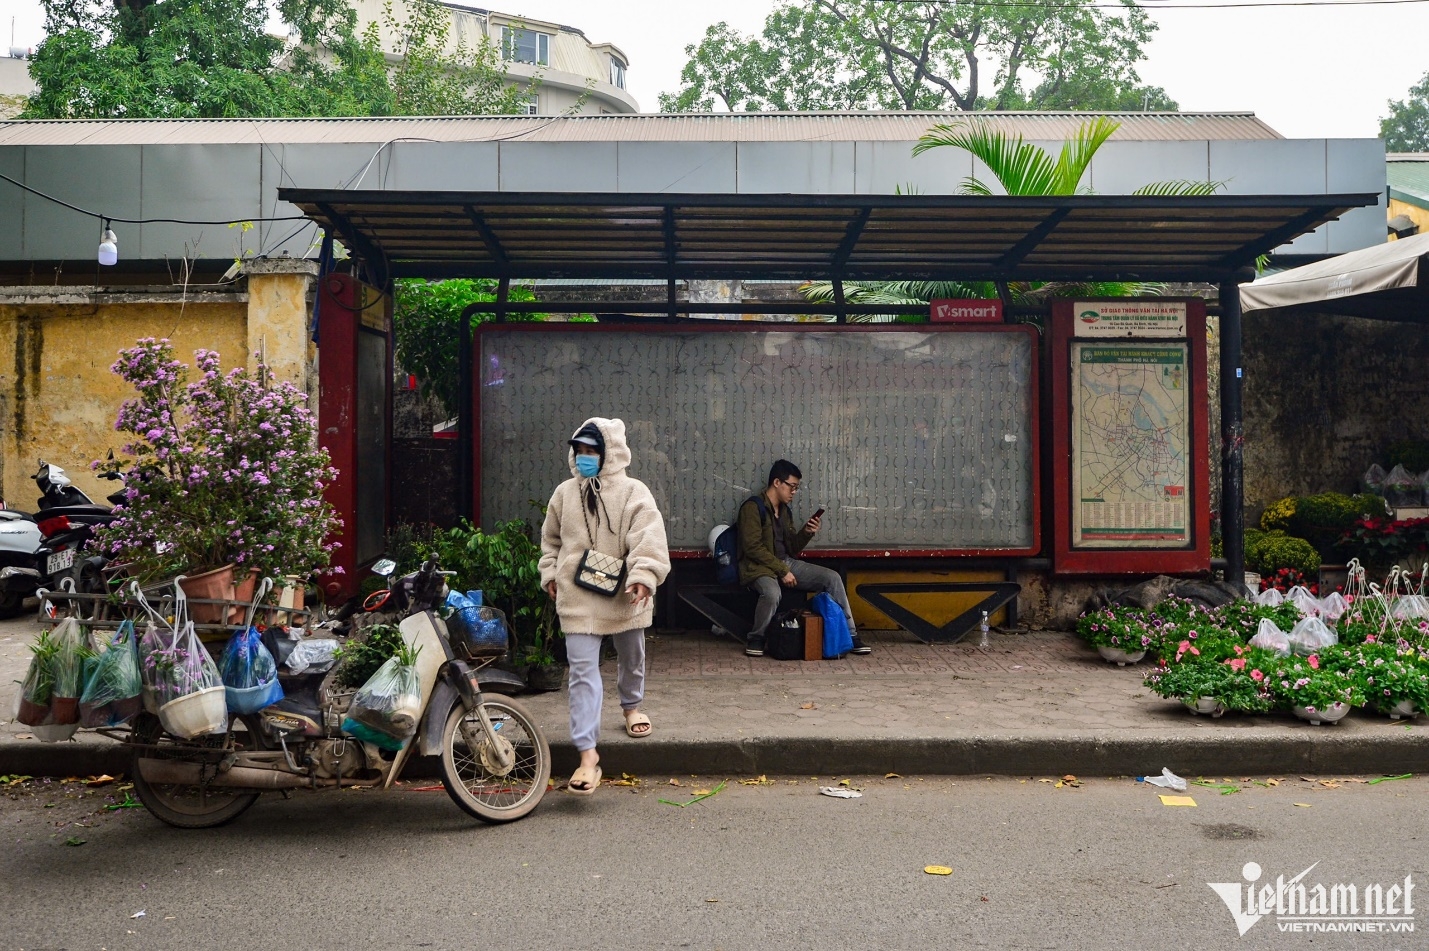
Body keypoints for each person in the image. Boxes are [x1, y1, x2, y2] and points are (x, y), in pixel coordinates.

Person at [539, 417, 670, 796]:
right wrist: (550, 573)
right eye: (579, 450)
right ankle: (587, 755)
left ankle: (631, 706)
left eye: (591, 450)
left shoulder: (634, 491)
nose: (584, 457)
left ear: (609, 451)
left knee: (632, 654)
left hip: (624, 591)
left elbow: (648, 535)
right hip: (577, 594)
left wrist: (644, 575)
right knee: (582, 672)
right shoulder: (564, 493)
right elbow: (550, 541)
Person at [737, 459, 870, 658]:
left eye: (796, 488)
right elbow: (752, 547)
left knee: (832, 578)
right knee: (772, 593)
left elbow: (792, 548)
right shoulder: (752, 508)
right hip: (758, 567)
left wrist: (807, 532)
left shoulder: (784, 512)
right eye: (792, 487)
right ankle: (756, 638)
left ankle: (851, 636)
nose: (794, 492)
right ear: (776, 483)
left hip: (786, 563)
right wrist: (782, 571)